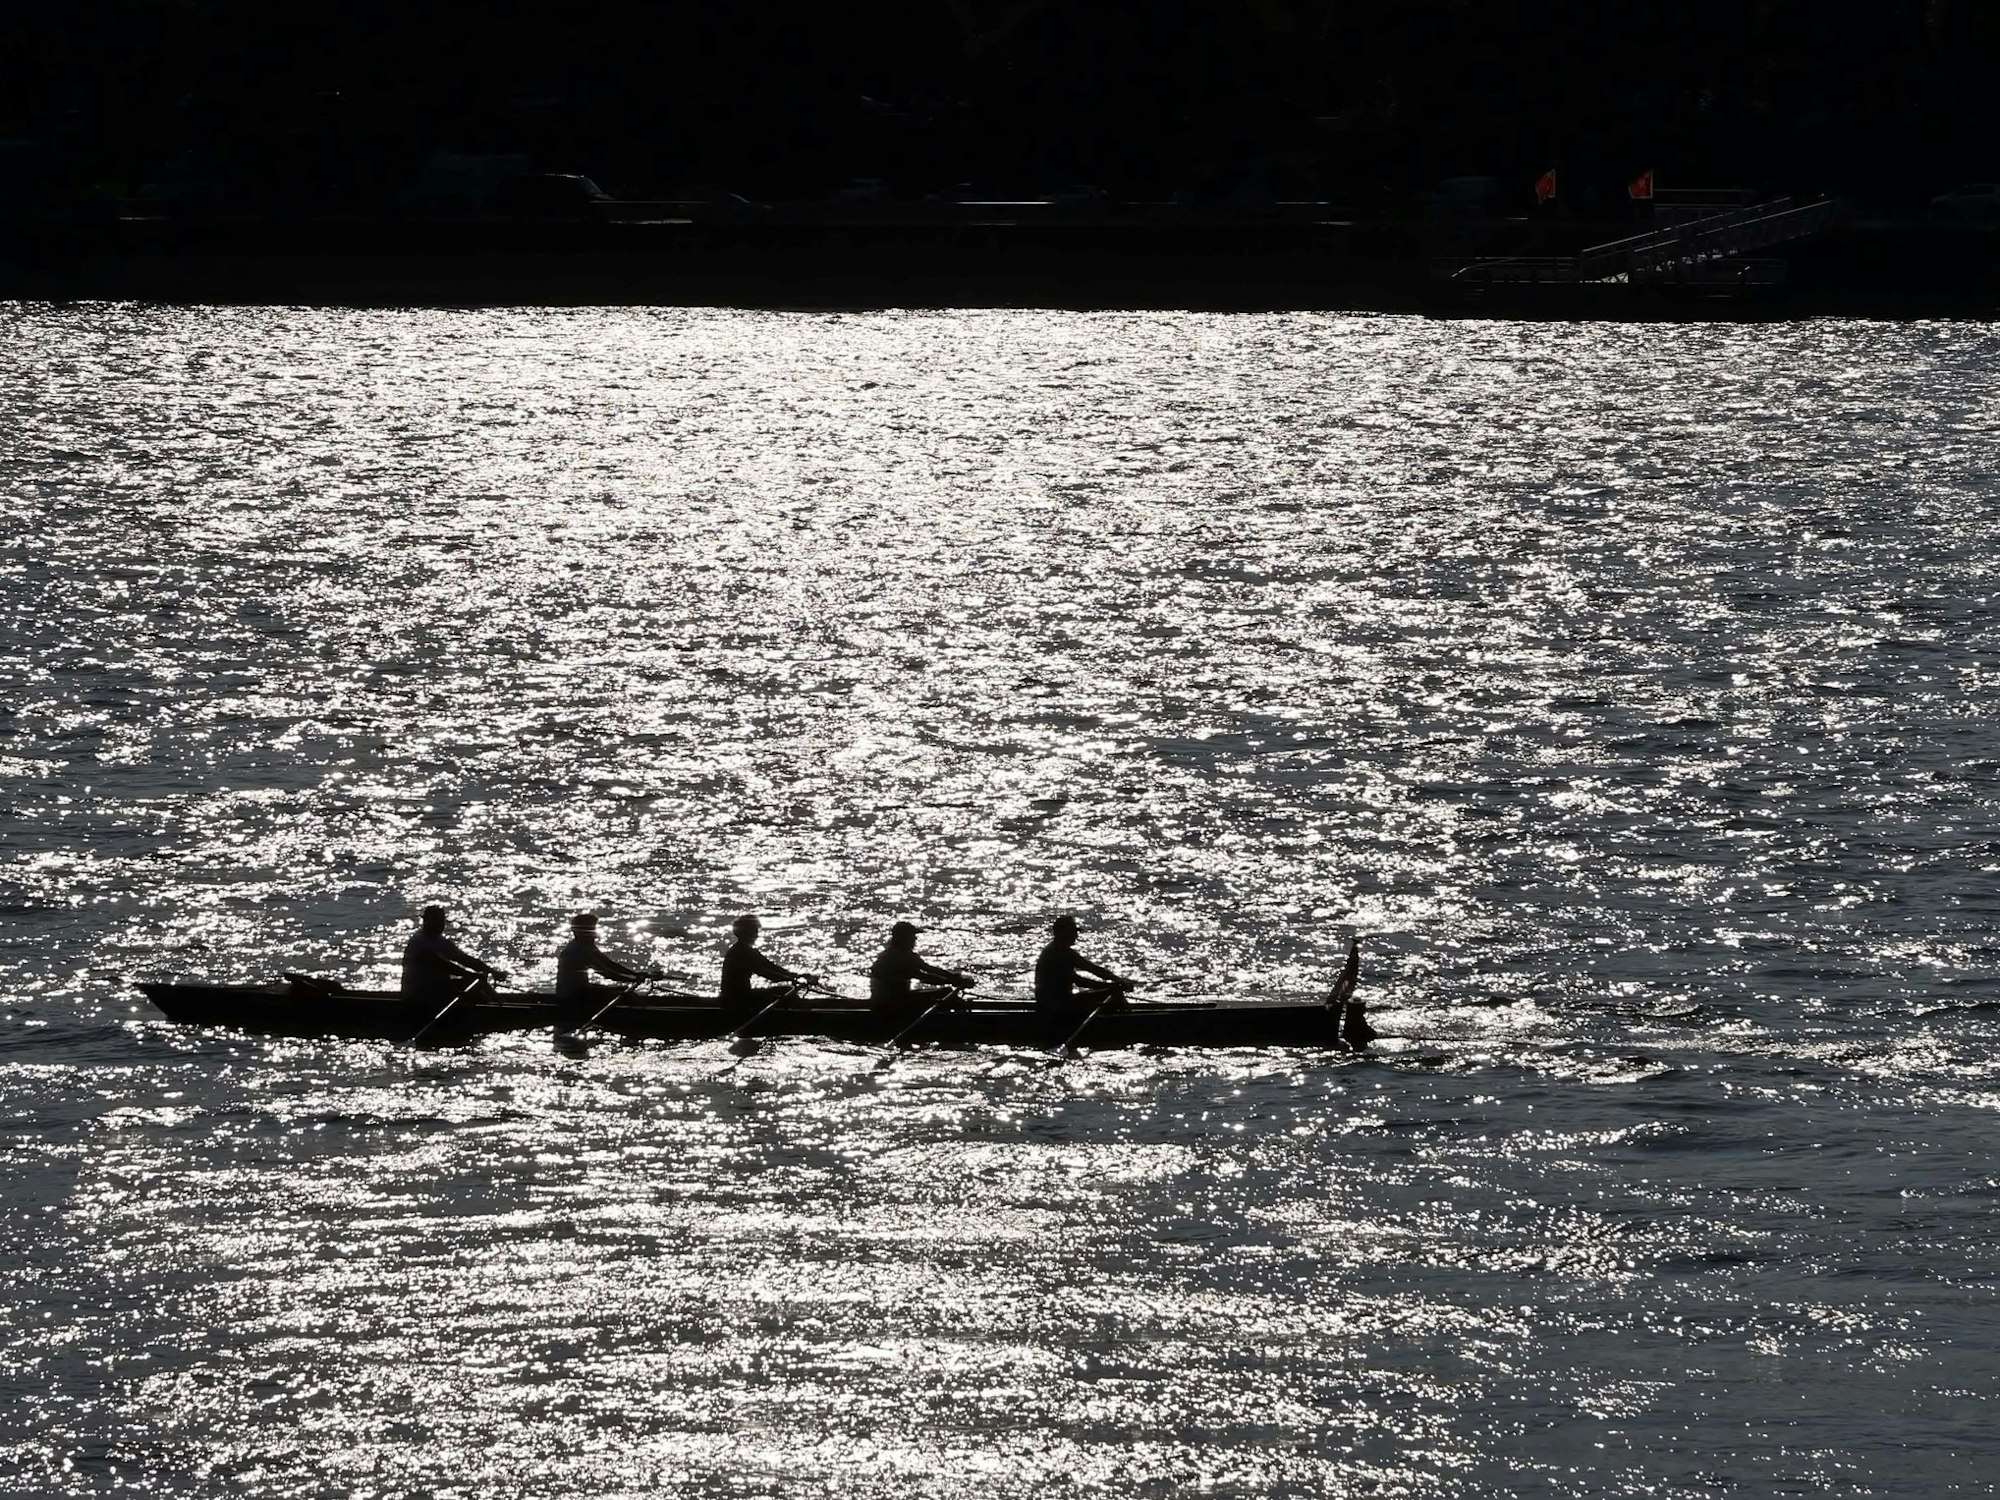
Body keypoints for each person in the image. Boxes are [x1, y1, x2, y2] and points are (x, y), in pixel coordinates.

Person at [556, 912, 653, 1029]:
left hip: (582, 990)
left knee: (622, 990)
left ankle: (643, 1012)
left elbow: (609, 964)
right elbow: (607, 973)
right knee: (623, 995)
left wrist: (636, 975)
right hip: (572, 997)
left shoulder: (587, 945)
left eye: (593, 928)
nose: (593, 932)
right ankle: (644, 1018)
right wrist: (632, 979)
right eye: (590, 929)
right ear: (579, 931)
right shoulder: (578, 950)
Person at [1034, 914, 1133, 1021]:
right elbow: (1080, 982)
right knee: (1114, 993)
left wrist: (1118, 980)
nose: (1076, 936)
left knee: (1113, 992)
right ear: (1060, 933)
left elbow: (1093, 969)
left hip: (1063, 1001)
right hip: (1054, 1007)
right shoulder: (1053, 954)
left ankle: (1123, 1018)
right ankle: (1127, 1022)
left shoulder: (1067, 952)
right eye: (1073, 932)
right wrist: (1112, 987)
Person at [401, 905, 503, 1007]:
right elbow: (442, 964)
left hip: (436, 988)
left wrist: (492, 971)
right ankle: (496, 1011)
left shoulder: (439, 940)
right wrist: (470, 975)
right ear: (427, 921)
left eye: (442, 921)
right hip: (419, 993)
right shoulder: (419, 941)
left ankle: (498, 1006)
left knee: (479, 984)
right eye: (438, 921)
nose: (442, 925)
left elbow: (464, 959)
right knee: (475, 985)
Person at [719, 914, 812, 1022]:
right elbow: (765, 972)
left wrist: (795, 975)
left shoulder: (749, 951)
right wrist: (790, 979)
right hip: (735, 999)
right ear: (747, 932)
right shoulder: (740, 952)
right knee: (785, 993)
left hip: (742, 995)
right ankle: (799, 1020)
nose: (757, 934)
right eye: (755, 930)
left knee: (785, 990)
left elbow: (770, 966)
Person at [868, 921, 972, 1014]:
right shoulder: (893, 957)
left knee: (946, 993)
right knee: (946, 992)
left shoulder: (906, 954)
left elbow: (929, 969)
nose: (915, 938)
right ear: (902, 938)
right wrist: (952, 981)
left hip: (899, 999)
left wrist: (954, 978)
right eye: (912, 935)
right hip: (888, 1005)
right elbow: (923, 976)